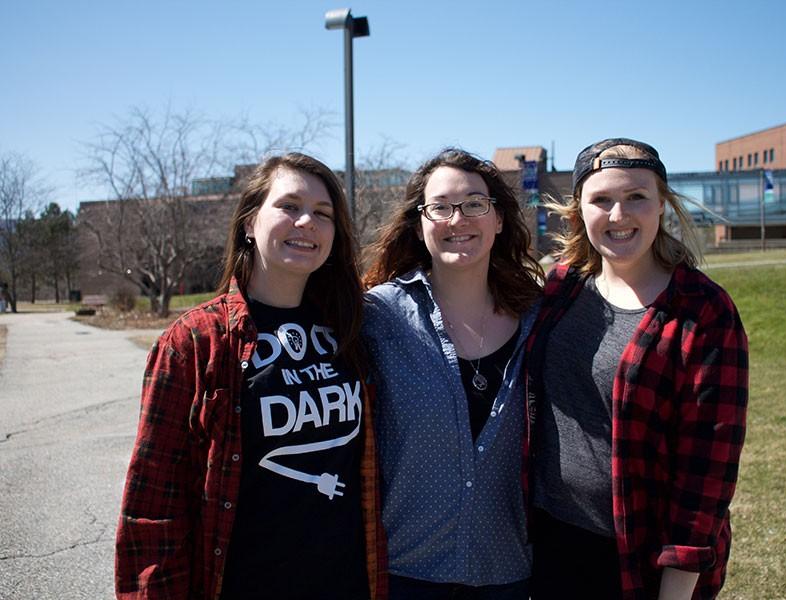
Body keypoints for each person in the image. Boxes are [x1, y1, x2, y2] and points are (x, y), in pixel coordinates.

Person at [115, 153, 386, 600]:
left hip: (349, 583)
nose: (307, 222)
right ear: (248, 222)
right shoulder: (195, 342)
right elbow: (151, 508)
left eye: (323, 213)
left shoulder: (353, 329)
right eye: (289, 206)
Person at [526, 139, 749, 600]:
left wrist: (675, 590)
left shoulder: (703, 311)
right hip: (549, 540)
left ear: (662, 205)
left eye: (636, 198)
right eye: (601, 200)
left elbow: (707, 474)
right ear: (578, 210)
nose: (618, 215)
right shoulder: (560, 289)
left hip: (639, 556)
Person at [362, 148, 544, 599]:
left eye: (475, 205)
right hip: (404, 573)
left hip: (509, 572)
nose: (457, 220)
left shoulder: (541, 320)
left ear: (499, 219)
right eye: (440, 207)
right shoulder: (377, 317)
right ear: (420, 222)